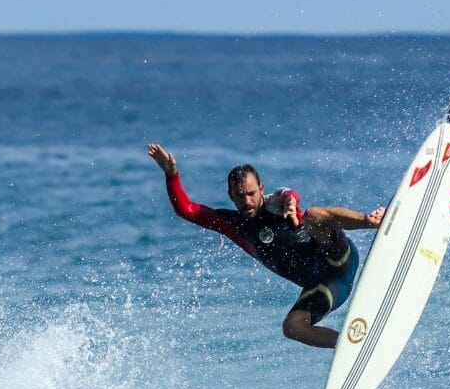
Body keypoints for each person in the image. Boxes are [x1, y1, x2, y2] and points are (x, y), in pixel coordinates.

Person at [148, 143, 385, 349]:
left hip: (338, 258)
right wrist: (171, 173)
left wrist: (292, 203)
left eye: (252, 193)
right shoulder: (232, 224)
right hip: (325, 286)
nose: (247, 200)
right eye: (240, 196)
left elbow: (289, 194)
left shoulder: (276, 203)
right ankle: (351, 346)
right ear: (230, 195)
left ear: (261, 189)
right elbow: (186, 210)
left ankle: (371, 221)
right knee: (292, 327)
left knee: (313, 215)